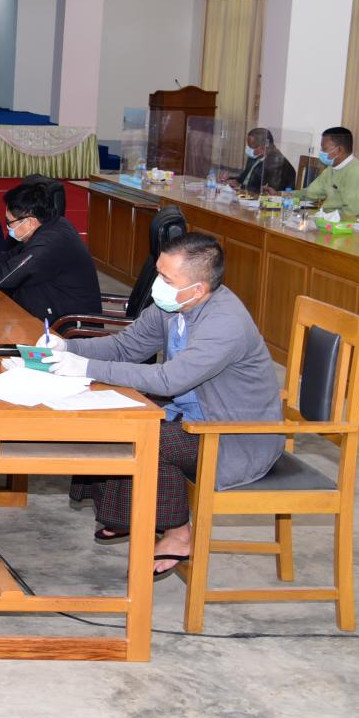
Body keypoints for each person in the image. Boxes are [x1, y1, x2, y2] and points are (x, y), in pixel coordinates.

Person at [38, 233, 283, 577]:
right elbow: (126, 347)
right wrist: (68, 348)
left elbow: (170, 381)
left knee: (147, 439)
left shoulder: (224, 323)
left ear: (198, 289)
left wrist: (87, 367)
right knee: (112, 422)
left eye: (167, 279)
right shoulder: (174, 306)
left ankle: (179, 533)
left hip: (233, 436)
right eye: (158, 273)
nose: (158, 285)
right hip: (190, 416)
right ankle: (128, 512)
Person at [0, 182, 101, 323]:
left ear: (30, 222)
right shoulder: (53, 224)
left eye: (9, 222)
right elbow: (9, 257)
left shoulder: (48, 244)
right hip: (44, 309)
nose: (8, 227)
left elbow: (7, 275)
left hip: (64, 324)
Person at [295, 126, 359, 218]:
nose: (321, 152)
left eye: (324, 149)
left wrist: (321, 218)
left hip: (352, 224)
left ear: (339, 150)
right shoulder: (332, 168)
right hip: (331, 218)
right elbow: (311, 193)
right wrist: (287, 195)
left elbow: (351, 212)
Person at [231, 127, 295, 194]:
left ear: (265, 146)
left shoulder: (277, 162)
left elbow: (267, 191)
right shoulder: (254, 157)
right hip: (243, 194)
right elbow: (244, 178)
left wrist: (241, 187)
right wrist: (231, 180)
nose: (249, 149)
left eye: (252, 146)